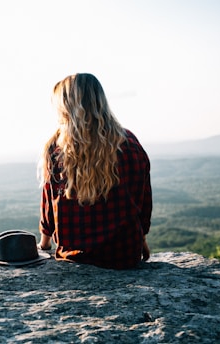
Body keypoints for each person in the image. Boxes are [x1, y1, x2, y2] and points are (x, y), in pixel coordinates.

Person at [38, 73, 152, 269]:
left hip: (74, 259)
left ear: (65, 108)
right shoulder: (129, 143)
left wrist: (44, 245)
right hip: (124, 255)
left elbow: (49, 208)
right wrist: (141, 241)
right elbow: (142, 202)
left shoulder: (56, 148)